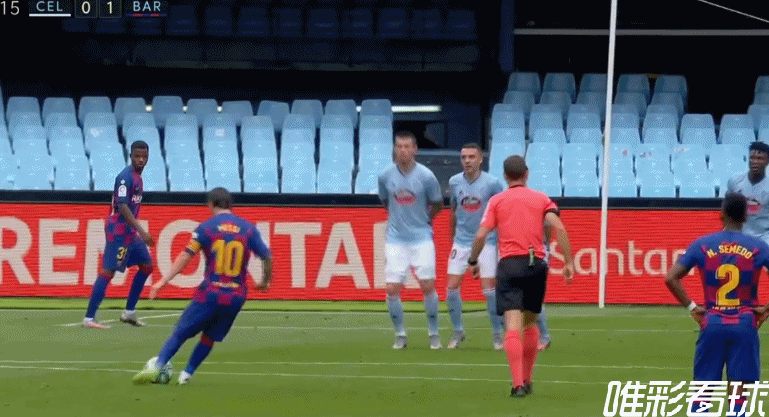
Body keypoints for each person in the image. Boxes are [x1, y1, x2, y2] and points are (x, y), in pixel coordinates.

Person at [133, 187, 273, 385]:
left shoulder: (206, 228)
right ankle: (186, 375)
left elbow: (186, 256)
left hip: (210, 292)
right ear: (230, 205)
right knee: (209, 337)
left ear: (211, 204)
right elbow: (267, 256)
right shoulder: (249, 229)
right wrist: (265, 281)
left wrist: (163, 281)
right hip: (236, 295)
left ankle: (158, 365)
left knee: (180, 332)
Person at [468, 155, 574, 397]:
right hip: (535, 263)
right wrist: (568, 261)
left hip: (510, 264)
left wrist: (473, 260)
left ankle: (517, 384)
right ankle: (528, 379)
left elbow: (481, 235)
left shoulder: (497, 200)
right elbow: (558, 226)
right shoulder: (541, 198)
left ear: (505, 176)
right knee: (530, 323)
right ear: (527, 174)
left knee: (512, 325)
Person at [665, 193, 769, 416]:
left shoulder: (702, 245)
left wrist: (692, 308)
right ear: (746, 216)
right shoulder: (758, 247)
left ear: (721, 214)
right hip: (745, 323)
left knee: (703, 391)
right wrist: (766, 310)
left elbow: (671, 278)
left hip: (712, 322)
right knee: (738, 395)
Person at [378, 131, 444, 350]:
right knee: (392, 288)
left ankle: (433, 333)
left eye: (407, 146)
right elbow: (385, 201)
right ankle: (400, 334)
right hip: (395, 238)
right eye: (399, 146)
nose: (403, 151)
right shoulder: (385, 176)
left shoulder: (427, 176)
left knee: (427, 285)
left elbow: (437, 204)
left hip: (421, 237)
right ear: (394, 149)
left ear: (415, 149)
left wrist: (424, 220)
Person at [83, 140, 155, 329]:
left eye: (144, 156)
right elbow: (122, 206)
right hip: (119, 232)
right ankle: (89, 318)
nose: (141, 160)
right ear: (130, 156)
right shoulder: (125, 177)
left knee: (147, 266)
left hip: (130, 233)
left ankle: (129, 312)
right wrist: (142, 231)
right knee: (108, 271)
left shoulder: (138, 177)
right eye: (137, 156)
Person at [445, 143, 505, 349]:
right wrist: (453, 239)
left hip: (487, 241)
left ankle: (497, 334)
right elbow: (453, 211)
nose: (467, 161)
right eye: (464, 157)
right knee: (451, 289)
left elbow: (500, 213)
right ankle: (458, 331)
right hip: (461, 242)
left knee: (489, 291)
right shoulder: (454, 182)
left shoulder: (492, 183)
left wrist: (500, 242)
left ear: (480, 160)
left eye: (471, 157)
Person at [726, 141, 769, 244]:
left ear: (767, 162)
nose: (754, 161)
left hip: (764, 237)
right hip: (738, 235)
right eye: (752, 158)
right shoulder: (735, 182)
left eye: (759, 158)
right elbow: (728, 211)